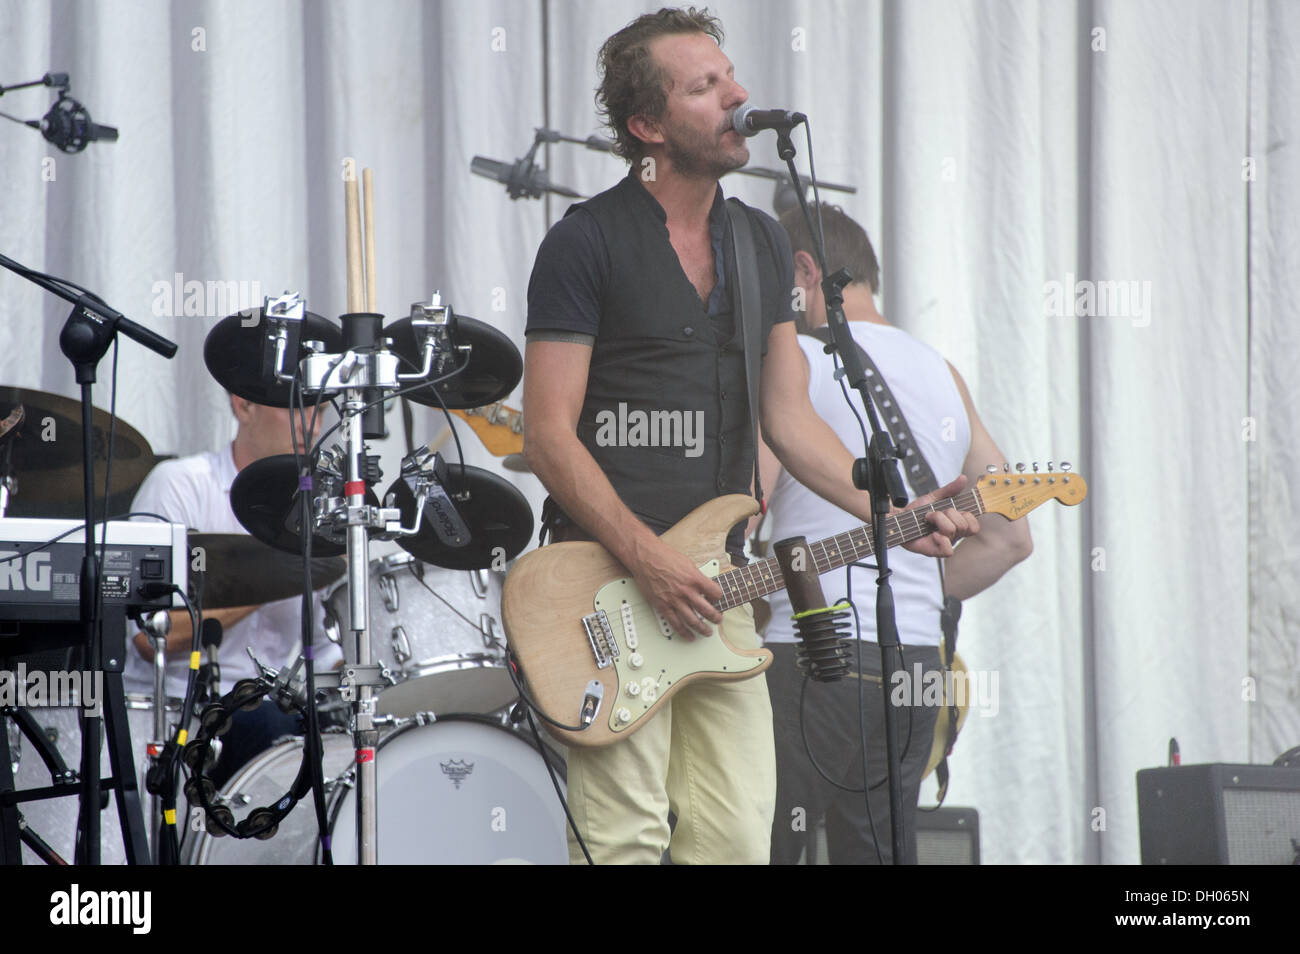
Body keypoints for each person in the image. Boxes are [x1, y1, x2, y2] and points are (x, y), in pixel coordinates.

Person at [522, 7, 977, 865]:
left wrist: (903, 505)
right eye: (706, 86)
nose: (739, 97)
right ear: (647, 126)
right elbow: (548, 435)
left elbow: (789, 419)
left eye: (731, 77)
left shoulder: (762, 241)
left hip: (721, 593)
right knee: (623, 839)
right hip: (607, 587)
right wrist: (648, 559)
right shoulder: (584, 243)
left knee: (734, 840)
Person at [760, 204, 1034, 864]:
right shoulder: (943, 373)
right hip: (916, 663)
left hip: (804, 652)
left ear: (805, 270)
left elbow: (746, 506)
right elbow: (1010, 540)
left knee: (770, 845)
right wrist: (920, 588)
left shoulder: (791, 360)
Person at [125, 393, 341, 785]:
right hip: (172, 710)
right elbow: (149, 636)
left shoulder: (318, 510)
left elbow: (325, 653)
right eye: (296, 405)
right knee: (278, 729)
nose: (311, 424)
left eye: (321, 410)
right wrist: (279, 573)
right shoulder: (180, 484)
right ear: (244, 406)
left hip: (264, 709)